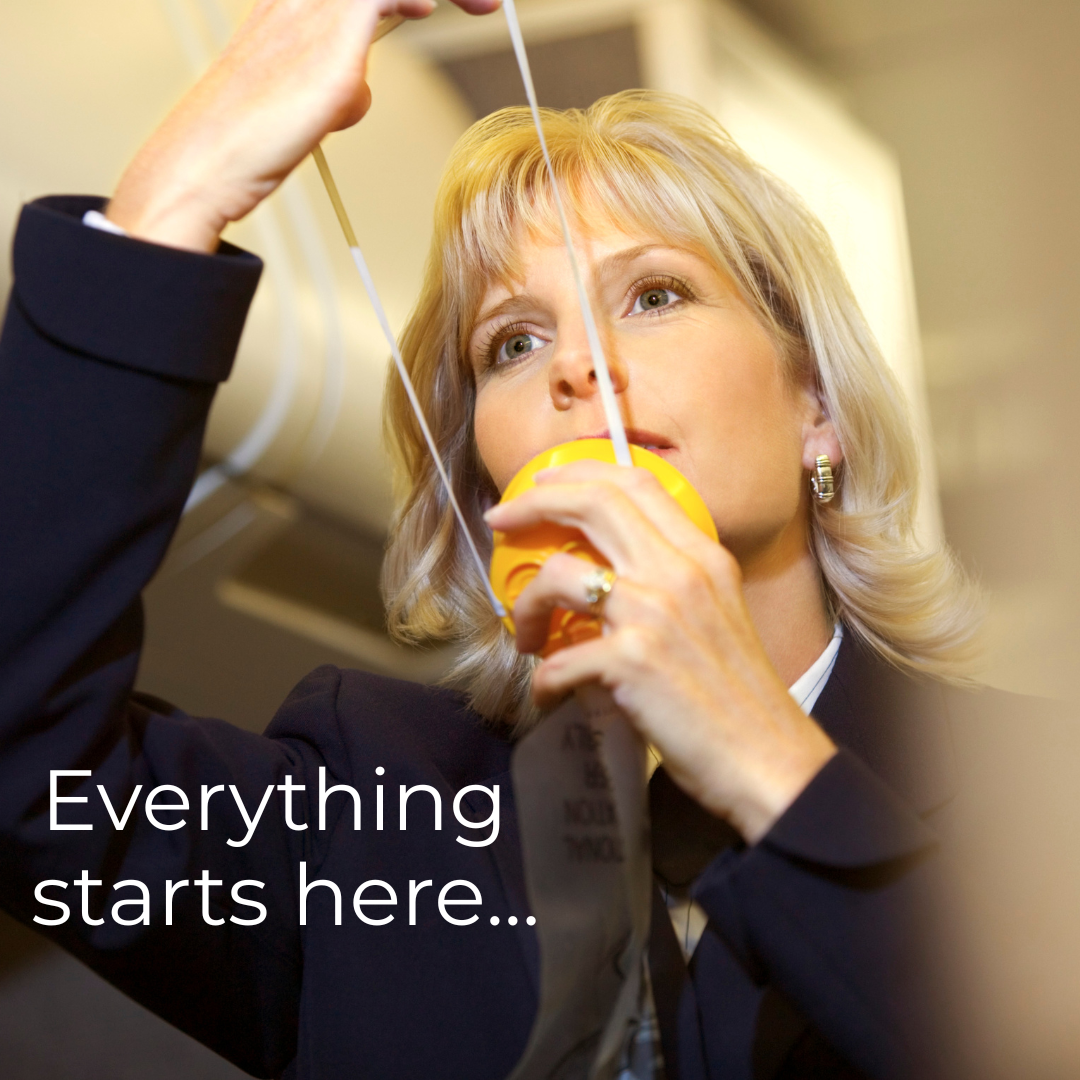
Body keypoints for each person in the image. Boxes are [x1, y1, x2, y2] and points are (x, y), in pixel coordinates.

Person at [0, 0, 992, 1077]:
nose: (576, 366)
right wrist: (185, 181)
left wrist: (761, 759)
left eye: (656, 295)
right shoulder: (373, 807)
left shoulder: (1029, 795)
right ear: (486, 491)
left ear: (818, 410)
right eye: (513, 343)